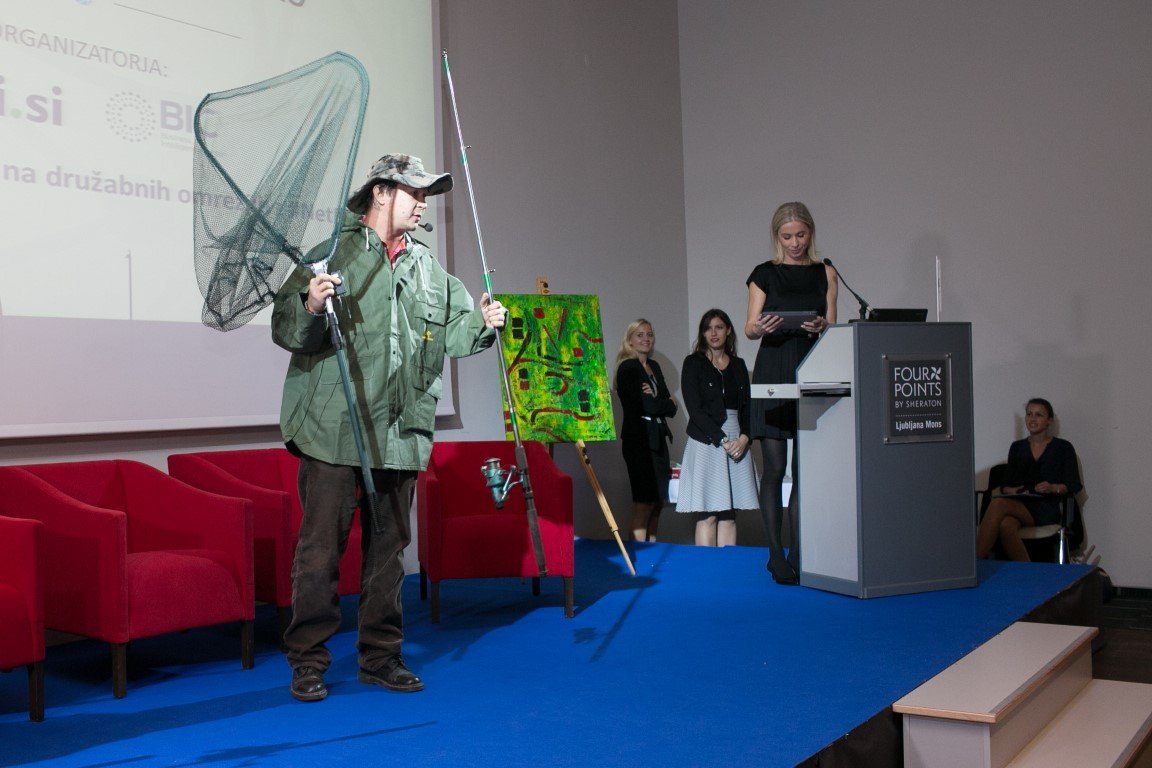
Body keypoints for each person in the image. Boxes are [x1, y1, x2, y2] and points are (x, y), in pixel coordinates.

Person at [272, 153, 506, 702]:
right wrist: (310, 302)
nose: (423, 203)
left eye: (427, 194)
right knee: (320, 553)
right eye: (414, 192)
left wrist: (483, 323)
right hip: (333, 429)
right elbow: (287, 329)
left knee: (388, 553)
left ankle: (380, 657)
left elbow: (455, 335)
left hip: (400, 431)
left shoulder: (429, 269)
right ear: (380, 192)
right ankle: (308, 661)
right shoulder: (330, 254)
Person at [745, 202, 838, 584]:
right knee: (775, 468)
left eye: (801, 235)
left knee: (805, 470)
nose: (795, 243)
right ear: (777, 237)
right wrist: (761, 327)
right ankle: (775, 553)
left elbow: (833, 326)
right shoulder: (763, 274)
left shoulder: (826, 272)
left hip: (811, 366)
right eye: (787, 237)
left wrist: (822, 326)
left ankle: (799, 552)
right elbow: (749, 328)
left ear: (810, 233)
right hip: (773, 366)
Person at [675, 309, 759, 547]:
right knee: (708, 513)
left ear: (728, 330)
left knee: (729, 514)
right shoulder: (693, 363)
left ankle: (727, 565)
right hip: (707, 440)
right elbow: (695, 409)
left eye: (719, 327)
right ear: (702, 333)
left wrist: (744, 438)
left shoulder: (739, 365)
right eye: (708, 328)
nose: (713, 333)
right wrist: (722, 440)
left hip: (737, 440)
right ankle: (706, 566)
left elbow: (748, 408)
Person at [977, 398, 1082, 562]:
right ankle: (1027, 571)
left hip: (1046, 507)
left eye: (1038, 415)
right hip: (1020, 503)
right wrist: (1012, 490)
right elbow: (1005, 484)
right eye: (1029, 414)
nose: (1032, 419)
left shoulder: (1063, 447)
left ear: (1049, 420)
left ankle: (974, 563)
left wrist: (1052, 487)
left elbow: (1074, 484)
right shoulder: (1017, 447)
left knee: (998, 504)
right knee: (1006, 525)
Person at [615, 319, 678, 542]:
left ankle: (652, 552)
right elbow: (650, 405)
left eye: (649, 334)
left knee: (658, 503)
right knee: (644, 504)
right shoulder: (627, 368)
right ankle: (639, 554)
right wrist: (663, 401)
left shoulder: (654, 366)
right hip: (639, 442)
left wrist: (661, 400)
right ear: (630, 339)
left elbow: (672, 407)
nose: (646, 339)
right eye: (640, 334)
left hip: (658, 439)